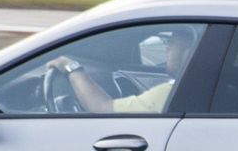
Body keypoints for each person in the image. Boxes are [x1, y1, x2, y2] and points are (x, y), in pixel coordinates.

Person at [48, 27, 197, 114]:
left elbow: (101, 108)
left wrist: (69, 66)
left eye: (173, 43)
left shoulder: (171, 94)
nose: (167, 47)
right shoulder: (196, 92)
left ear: (189, 54)